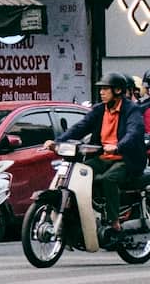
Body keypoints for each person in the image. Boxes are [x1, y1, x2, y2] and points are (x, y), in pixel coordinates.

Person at [59, 72, 147, 217]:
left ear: (117, 90)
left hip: (126, 159)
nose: (101, 92)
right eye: (101, 89)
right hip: (104, 157)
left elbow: (134, 132)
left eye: (105, 89)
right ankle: (87, 212)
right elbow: (81, 127)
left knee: (109, 179)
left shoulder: (132, 110)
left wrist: (118, 146)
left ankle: (114, 221)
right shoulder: (99, 109)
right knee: (80, 171)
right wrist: (58, 141)